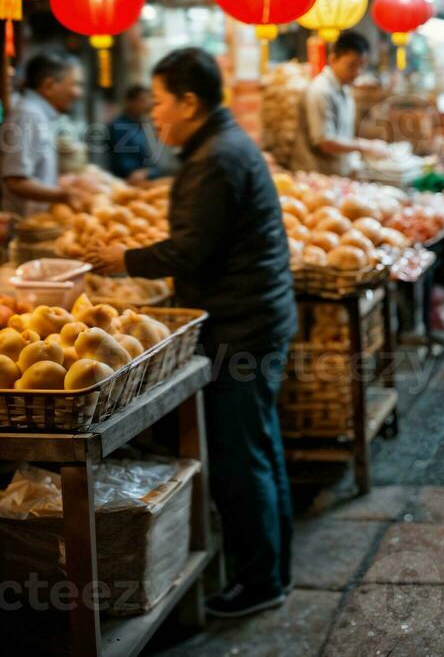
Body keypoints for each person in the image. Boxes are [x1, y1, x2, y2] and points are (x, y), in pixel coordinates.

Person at [85, 48, 297, 619]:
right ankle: (271, 570)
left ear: (189, 101)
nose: (154, 115)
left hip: (241, 326)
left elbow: (188, 249)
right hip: (255, 315)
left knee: (240, 455)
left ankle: (259, 582)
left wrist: (122, 257)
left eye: (159, 102)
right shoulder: (219, 148)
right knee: (259, 445)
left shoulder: (215, 159)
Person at [289, 30, 386, 174]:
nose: (357, 72)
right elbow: (325, 142)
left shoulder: (344, 87)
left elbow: (342, 134)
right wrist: (366, 146)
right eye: (352, 65)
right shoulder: (321, 90)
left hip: (337, 173)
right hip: (316, 175)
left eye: (362, 66)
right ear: (333, 59)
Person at [1, 51, 85, 216]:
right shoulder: (29, 114)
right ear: (49, 86)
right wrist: (62, 196)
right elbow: (15, 180)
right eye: (75, 84)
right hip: (25, 227)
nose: (78, 93)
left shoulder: (39, 113)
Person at [107, 84, 160, 183]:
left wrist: (149, 171)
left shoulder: (141, 125)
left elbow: (149, 159)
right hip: (124, 181)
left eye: (147, 100)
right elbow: (123, 163)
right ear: (129, 102)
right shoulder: (118, 126)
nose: (146, 105)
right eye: (142, 101)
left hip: (144, 179)